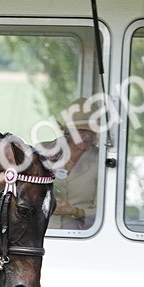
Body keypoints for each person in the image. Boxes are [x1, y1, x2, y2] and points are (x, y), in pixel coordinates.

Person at [47, 98, 102, 230]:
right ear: (68, 131)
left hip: (82, 236)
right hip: (44, 233)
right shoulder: (48, 155)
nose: (87, 136)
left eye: (91, 131)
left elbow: (106, 211)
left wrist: (74, 211)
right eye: (81, 131)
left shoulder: (101, 161)